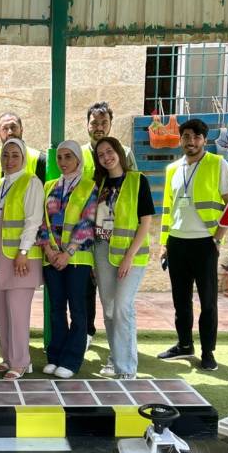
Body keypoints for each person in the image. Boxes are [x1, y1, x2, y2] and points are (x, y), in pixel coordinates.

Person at [158, 118, 228, 371]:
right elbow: (168, 209)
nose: (191, 141)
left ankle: (207, 352)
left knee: (208, 302)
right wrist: (164, 243)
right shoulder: (172, 169)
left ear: (204, 140)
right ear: (180, 139)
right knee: (181, 300)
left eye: (196, 137)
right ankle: (184, 345)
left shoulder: (217, 164)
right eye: (186, 136)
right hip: (177, 242)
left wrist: (218, 237)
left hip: (205, 243)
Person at [92, 136, 155, 379]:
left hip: (131, 255)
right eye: (101, 155)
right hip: (102, 251)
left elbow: (146, 222)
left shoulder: (138, 180)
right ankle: (115, 359)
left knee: (122, 307)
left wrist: (129, 256)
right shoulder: (98, 184)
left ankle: (127, 369)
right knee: (109, 310)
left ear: (119, 152)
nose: (106, 157)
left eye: (109, 151)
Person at [80, 101, 137, 355]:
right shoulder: (80, 153)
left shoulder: (125, 153)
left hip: (117, 236)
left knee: (118, 298)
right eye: (94, 123)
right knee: (86, 288)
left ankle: (121, 348)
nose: (99, 127)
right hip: (86, 232)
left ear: (111, 124)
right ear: (87, 125)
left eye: (104, 123)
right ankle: (87, 332)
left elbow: (134, 192)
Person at [38, 141, 97, 379]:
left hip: (77, 259)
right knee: (56, 309)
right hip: (51, 258)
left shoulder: (89, 186)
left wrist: (67, 253)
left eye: (68, 157)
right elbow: (41, 220)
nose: (63, 162)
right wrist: (49, 250)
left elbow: (87, 222)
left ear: (78, 159)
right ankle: (55, 357)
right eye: (60, 157)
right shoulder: (49, 186)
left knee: (78, 310)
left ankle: (71, 361)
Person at [0, 137, 44, 380]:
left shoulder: (31, 182)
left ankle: (21, 362)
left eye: (15, 155)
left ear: (23, 158)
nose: (9, 160)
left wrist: (23, 252)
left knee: (18, 313)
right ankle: (9, 357)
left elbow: (33, 221)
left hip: (20, 260)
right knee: (3, 313)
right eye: (5, 155)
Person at [0, 112, 45, 184]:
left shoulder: (39, 159)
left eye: (13, 127)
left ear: (21, 130)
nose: (10, 132)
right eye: (5, 128)